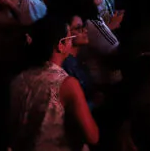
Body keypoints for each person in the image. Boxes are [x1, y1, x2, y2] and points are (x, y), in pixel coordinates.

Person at [9, 15, 99, 151]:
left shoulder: (18, 80)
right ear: (60, 45)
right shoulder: (67, 84)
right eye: (69, 37)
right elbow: (92, 136)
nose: (71, 42)